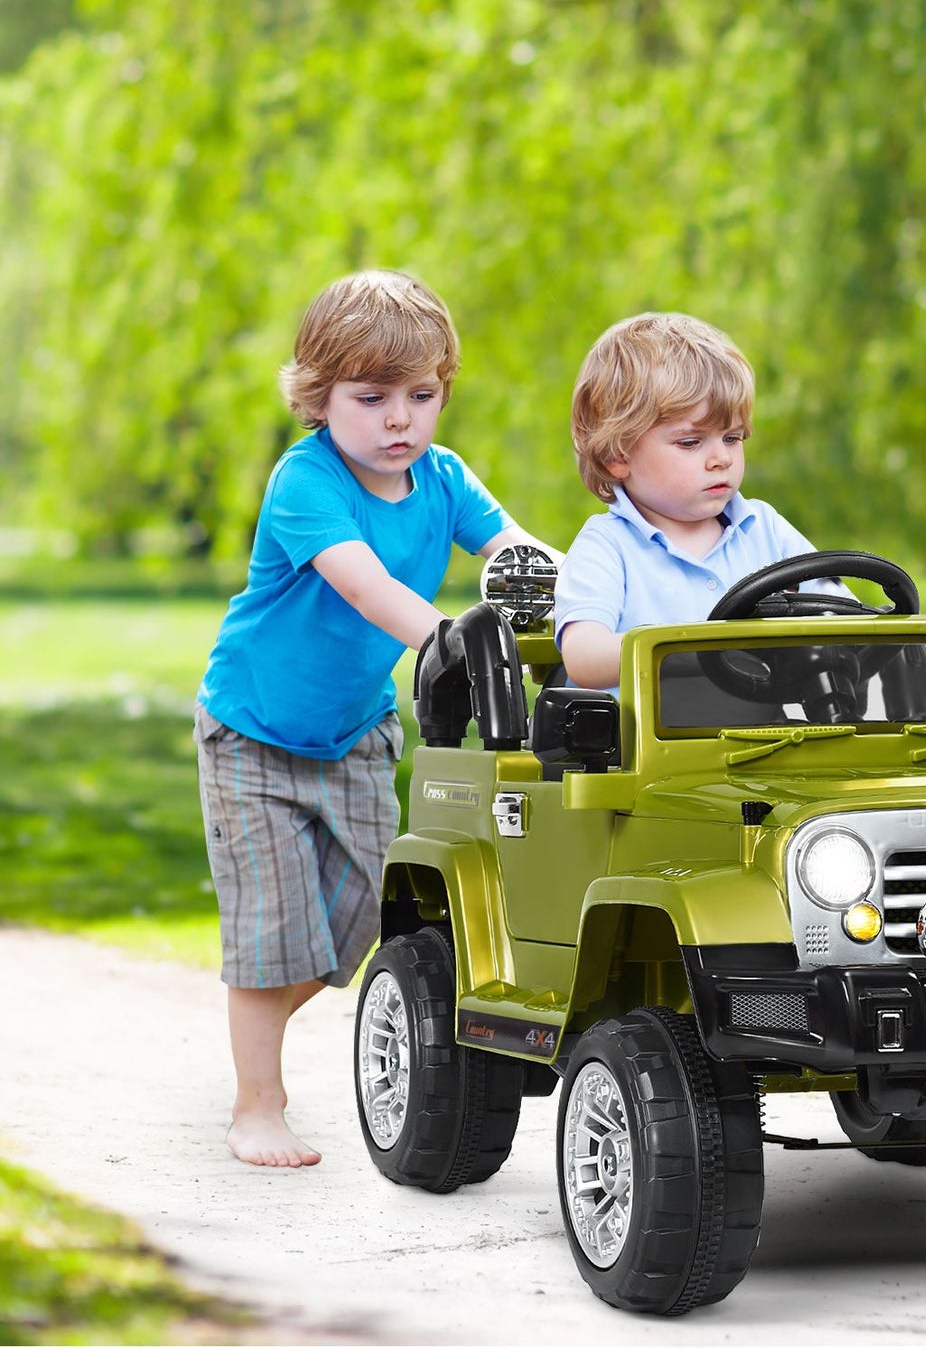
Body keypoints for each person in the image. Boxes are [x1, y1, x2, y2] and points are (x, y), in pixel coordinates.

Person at [195, 270, 557, 1169]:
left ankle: (256, 1010)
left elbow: (516, 552)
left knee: (360, 925)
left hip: (355, 734)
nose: (400, 419)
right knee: (273, 932)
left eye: (421, 395)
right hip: (252, 735)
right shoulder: (305, 480)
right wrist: (455, 639)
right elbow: (365, 586)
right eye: (372, 397)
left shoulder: (443, 478)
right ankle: (257, 1102)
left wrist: (580, 592)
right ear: (319, 397)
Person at [555, 311, 835, 690]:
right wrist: (688, 648)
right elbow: (584, 657)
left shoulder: (766, 530)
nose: (721, 458)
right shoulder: (606, 547)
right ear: (616, 457)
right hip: (648, 729)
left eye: (732, 438)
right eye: (690, 442)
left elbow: (840, 614)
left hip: (769, 727)